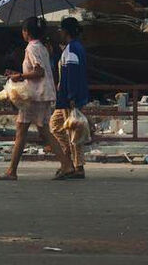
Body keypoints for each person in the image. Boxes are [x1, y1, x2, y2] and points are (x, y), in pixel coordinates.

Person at [0, 16, 73, 181]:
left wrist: (19, 75)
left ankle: (12, 171)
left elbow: (39, 71)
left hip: (34, 96)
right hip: (42, 94)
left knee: (22, 131)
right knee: (43, 131)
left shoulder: (31, 48)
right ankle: (66, 165)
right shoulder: (43, 47)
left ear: (26, 32)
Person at [50, 16, 91, 180]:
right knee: (57, 126)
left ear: (65, 31)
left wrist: (71, 96)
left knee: (72, 131)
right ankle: (69, 160)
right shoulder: (74, 48)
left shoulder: (71, 50)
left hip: (69, 98)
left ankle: (76, 165)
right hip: (67, 97)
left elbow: (72, 75)